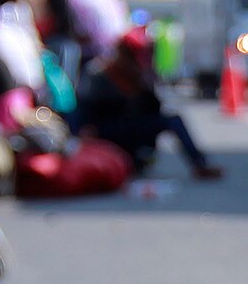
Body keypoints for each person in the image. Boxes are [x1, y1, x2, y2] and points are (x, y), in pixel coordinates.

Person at [73, 25, 224, 180]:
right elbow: (84, 108)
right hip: (106, 130)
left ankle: (200, 164)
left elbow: (154, 108)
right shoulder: (101, 73)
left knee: (172, 120)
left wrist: (147, 81)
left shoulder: (140, 76)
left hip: (131, 127)